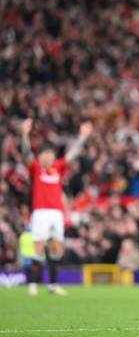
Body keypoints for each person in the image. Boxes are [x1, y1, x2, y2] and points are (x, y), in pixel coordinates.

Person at [20, 118, 93, 295]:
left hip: (57, 213)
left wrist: (82, 137)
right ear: (41, 157)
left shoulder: (58, 168)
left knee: (56, 248)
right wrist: (24, 134)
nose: (50, 158)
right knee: (39, 247)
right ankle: (33, 284)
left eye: (51, 155)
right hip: (41, 212)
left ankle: (52, 285)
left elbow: (72, 154)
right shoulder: (36, 168)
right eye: (47, 155)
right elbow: (26, 153)